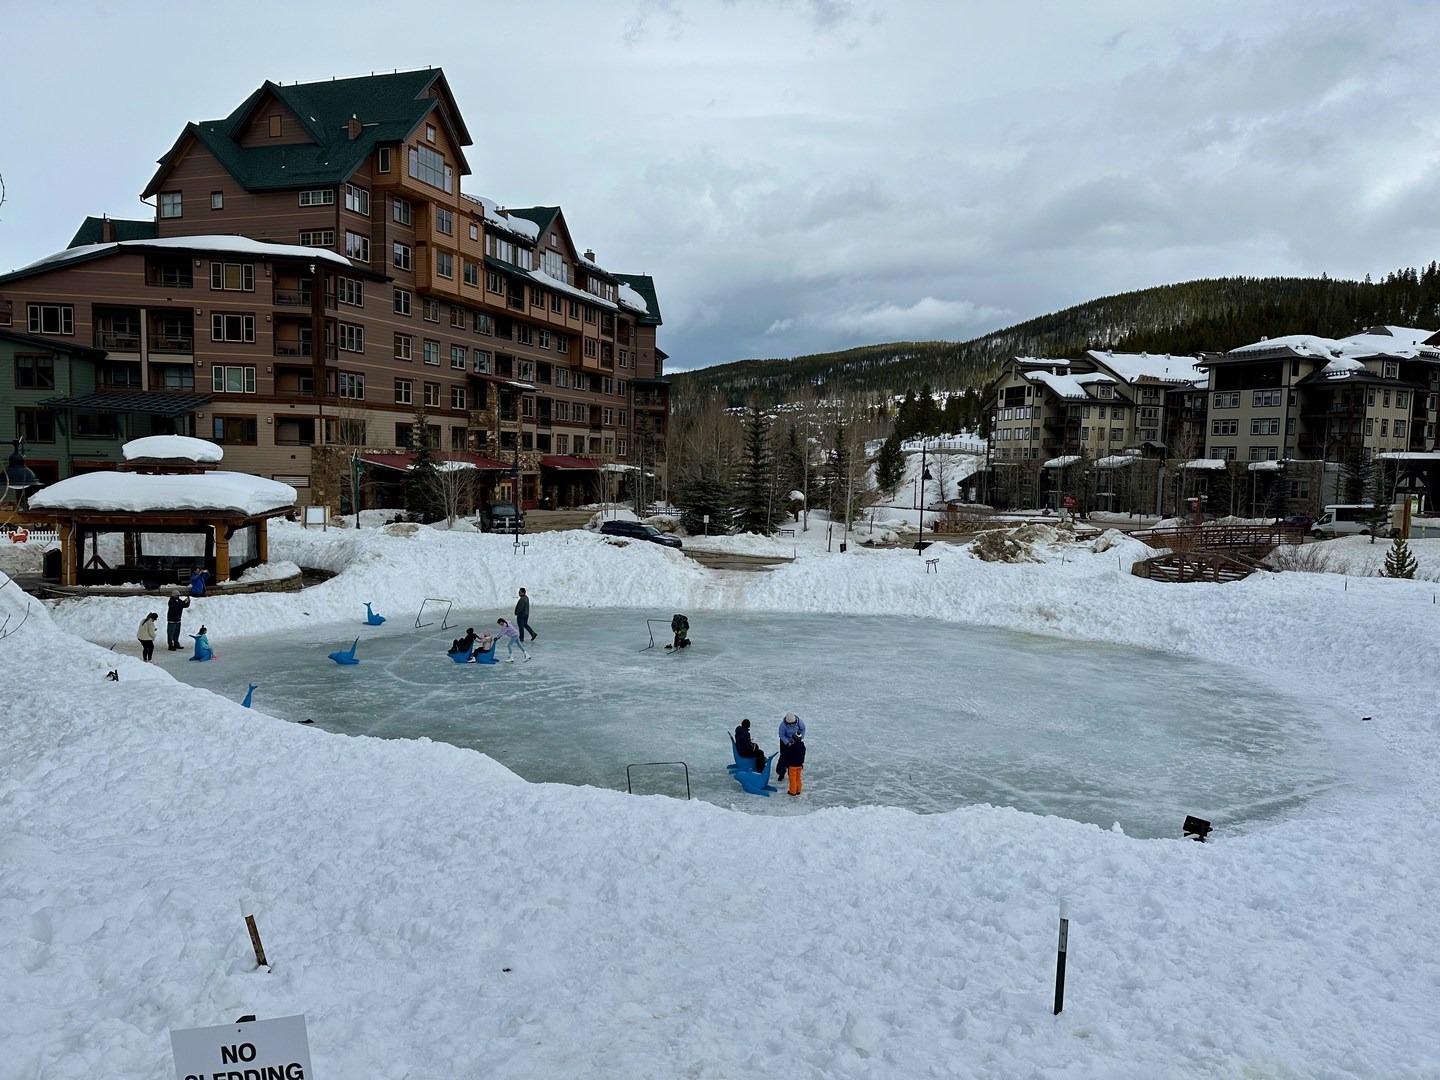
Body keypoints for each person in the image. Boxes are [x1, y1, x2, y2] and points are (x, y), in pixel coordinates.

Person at [776, 711, 806, 783]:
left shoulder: (800, 722)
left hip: (796, 740)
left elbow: (802, 730)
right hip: (785, 742)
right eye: (790, 724)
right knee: (783, 757)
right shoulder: (782, 725)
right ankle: (781, 773)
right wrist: (787, 742)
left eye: (793, 723)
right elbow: (782, 735)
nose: (792, 724)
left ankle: (791, 772)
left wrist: (799, 739)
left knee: (794, 757)